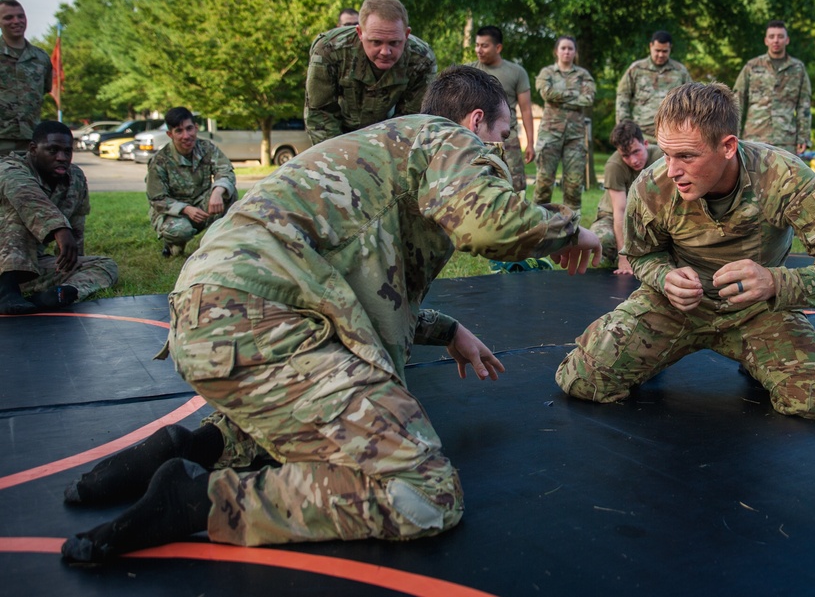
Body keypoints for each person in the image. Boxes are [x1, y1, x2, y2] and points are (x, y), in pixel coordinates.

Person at [61, 65, 602, 563]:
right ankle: (199, 501)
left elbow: (368, 290)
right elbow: (489, 225)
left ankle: (197, 446)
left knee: (322, 408)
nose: (500, 156)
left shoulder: (386, 151)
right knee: (424, 492)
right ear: (476, 120)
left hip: (215, 314)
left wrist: (448, 329)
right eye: (502, 138)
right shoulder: (448, 138)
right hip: (262, 318)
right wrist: (571, 231)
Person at [556, 82, 815, 420]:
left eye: (687, 156)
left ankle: (758, 358)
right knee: (583, 381)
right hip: (677, 305)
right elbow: (641, 254)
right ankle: (657, 352)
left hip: (758, 309)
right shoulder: (652, 185)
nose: (673, 170)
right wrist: (665, 278)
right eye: (666, 154)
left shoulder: (783, 177)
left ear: (728, 146)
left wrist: (775, 283)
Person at [0, 121, 118, 314]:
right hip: (5, 264)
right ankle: (6, 292)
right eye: (52, 150)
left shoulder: (75, 179)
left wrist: (72, 261)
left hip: (28, 265)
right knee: (17, 213)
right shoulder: (9, 169)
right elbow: (29, 198)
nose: (62, 158)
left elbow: (77, 226)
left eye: (67, 151)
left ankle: (55, 296)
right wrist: (60, 229)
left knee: (105, 265)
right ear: (33, 149)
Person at [304, 0, 437, 145]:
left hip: (388, 139)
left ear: (406, 34)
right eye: (376, 42)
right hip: (337, 135)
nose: (385, 51)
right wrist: (341, 156)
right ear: (360, 33)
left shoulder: (421, 59)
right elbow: (320, 114)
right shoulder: (329, 50)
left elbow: (413, 122)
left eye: (394, 43)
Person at [146, 107, 237, 258]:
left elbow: (225, 171)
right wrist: (186, 209)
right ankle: (173, 244)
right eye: (179, 131)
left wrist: (218, 191)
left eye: (189, 129)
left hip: (202, 205)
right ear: (170, 134)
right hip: (175, 214)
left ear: (196, 127)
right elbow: (157, 199)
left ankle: (219, 241)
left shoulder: (207, 148)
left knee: (228, 192)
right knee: (180, 231)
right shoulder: (160, 160)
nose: (186, 136)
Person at [467, 25, 535, 192]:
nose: (479, 50)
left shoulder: (517, 72)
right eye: (477, 45)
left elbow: (526, 110)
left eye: (484, 45)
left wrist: (531, 143)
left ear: (498, 47)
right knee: (477, 186)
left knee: (515, 185)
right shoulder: (468, 72)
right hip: (475, 138)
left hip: (507, 139)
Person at [591, 119, 660, 276]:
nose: (633, 160)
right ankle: (606, 271)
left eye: (636, 151)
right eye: (626, 155)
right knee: (603, 239)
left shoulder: (661, 158)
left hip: (647, 213)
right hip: (613, 215)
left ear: (646, 143)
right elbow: (620, 211)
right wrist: (623, 256)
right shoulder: (614, 166)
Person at [534, 35, 595, 210]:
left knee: (574, 185)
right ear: (556, 51)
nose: (567, 52)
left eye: (570, 48)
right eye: (563, 48)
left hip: (575, 137)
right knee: (544, 183)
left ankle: (571, 228)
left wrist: (559, 98)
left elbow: (589, 98)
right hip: (550, 134)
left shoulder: (583, 75)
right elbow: (546, 94)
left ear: (575, 52)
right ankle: (539, 225)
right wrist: (574, 95)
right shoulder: (547, 73)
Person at [733, 20, 811, 156]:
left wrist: (803, 136)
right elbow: (736, 101)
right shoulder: (752, 66)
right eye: (772, 36)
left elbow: (804, 104)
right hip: (755, 137)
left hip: (786, 139)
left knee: (787, 177)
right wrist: (734, 133)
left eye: (780, 36)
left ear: (787, 40)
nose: (776, 40)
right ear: (766, 40)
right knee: (753, 177)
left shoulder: (798, 69)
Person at [615, 30, 691, 155]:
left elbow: (690, 100)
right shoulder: (636, 69)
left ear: (670, 49)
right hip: (642, 135)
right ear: (651, 46)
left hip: (671, 135)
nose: (660, 55)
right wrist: (625, 129)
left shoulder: (680, 71)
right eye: (657, 50)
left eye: (664, 51)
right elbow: (623, 97)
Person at [0, 0, 53, 157]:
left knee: (28, 182)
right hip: (1, 138)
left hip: (30, 140)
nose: (16, 21)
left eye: (20, 16)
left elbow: (44, 89)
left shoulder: (41, 58)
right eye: (8, 17)